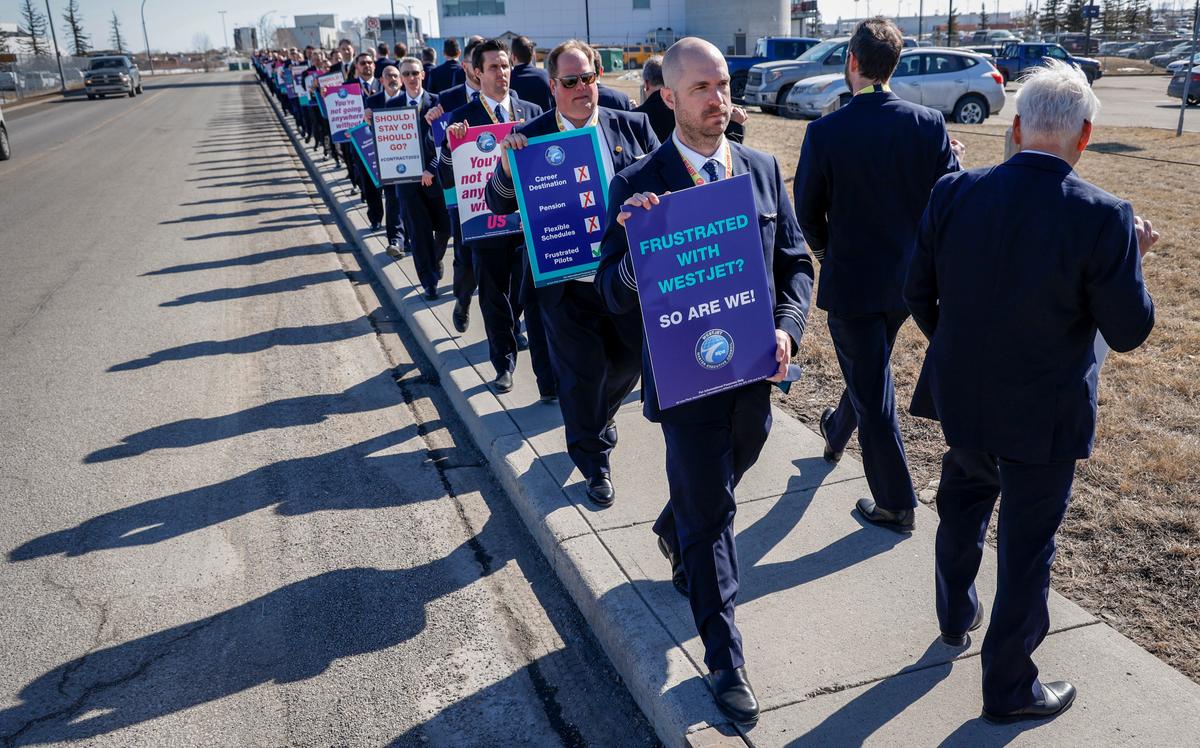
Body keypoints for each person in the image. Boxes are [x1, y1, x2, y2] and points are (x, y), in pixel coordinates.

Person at [905, 58, 1156, 724]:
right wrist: (1139, 260)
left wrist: (958, 347)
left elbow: (917, 295)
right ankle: (1009, 686)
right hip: (1042, 413)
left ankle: (956, 614)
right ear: (1084, 139)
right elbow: (1128, 330)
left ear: (1015, 127)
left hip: (964, 396)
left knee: (963, 504)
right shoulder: (1104, 216)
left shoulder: (952, 193)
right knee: (1025, 545)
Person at [595, 37, 814, 725]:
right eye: (701, 89)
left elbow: (797, 263)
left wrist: (788, 328)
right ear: (668, 96)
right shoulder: (637, 183)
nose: (718, 100)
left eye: (723, 86)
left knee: (727, 473)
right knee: (714, 514)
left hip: (751, 374)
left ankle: (675, 525)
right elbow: (609, 290)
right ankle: (725, 659)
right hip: (684, 381)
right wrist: (633, 254)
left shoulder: (760, 165)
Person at [793, 17, 961, 533]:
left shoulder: (825, 131)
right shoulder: (928, 124)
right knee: (868, 374)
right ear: (895, 64)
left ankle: (895, 502)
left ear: (851, 62)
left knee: (873, 390)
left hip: (853, 284)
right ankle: (835, 425)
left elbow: (806, 210)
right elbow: (947, 199)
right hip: (908, 285)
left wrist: (825, 251)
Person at [486, 40, 660, 507]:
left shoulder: (631, 124)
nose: (583, 88)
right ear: (552, 86)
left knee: (628, 364)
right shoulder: (530, 138)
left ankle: (599, 418)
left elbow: (665, 178)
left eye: (589, 78)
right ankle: (594, 463)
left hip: (624, 283)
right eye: (571, 81)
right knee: (582, 377)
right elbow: (497, 203)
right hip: (567, 288)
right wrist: (507, 165)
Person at [438, 39, 555, 398]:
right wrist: (448, 148)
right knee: (492, 295)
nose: (502, 73)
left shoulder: (533, 111)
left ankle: (543, 375)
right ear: (476, 72)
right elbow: (447, 178)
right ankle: (503, 365)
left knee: (526, 296)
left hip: (526, 221)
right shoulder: (461, 120)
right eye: (493, 67)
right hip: (485, 224)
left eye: (505, 66)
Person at [424, 38, 486, 331]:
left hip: (502, 192)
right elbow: (433, 141)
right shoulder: (447, 99)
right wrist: (431, 123)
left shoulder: (507, 96)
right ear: (467, 67)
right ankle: (463, 299)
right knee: (465, 255)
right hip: (460, 193)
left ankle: (507, 323)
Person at [393, 58, 450, 297]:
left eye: (415, 73)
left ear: (423, 74)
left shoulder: (438, 102)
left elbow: (445, 142)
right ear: (401, 77)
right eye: (406, 74)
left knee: (446, 229)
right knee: (418, 233)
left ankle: (435, 259)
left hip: (435, 177)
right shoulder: (392, 106)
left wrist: (432, 168)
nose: (411, 78)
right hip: (407, 182)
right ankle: (429, 281)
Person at [364, 63, 419, 256]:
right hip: (387, 159)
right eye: (389, 76)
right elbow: (367, 132)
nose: (393, 79)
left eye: (396, 75)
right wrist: (368, 120)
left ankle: (411, 238)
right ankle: (396, 240)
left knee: (410, 201)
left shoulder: (410, 100)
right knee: (392, 199)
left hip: (412, 158)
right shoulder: (373, 102)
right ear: (382, 80)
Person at [635, 54, 746, 144]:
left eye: (722, 84)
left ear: (646, 84)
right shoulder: (696, 112)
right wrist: (735, 127)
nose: (718, 100)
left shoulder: (633, 121)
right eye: (701, 87)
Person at [352, 53, 384, 230]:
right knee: (369, 180)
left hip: (387, 140)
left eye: (370, 62)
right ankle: (375, 217)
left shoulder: (383, 83)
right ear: (357, 66)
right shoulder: (349, 87)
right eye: (363, 63)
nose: (367, 66)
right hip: (362, 142)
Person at [508, 35, 552, 111]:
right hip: (546, 121)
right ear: (533, 55)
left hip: (520, 122)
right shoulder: (547, 76)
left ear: (513, 57)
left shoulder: (508, 79)